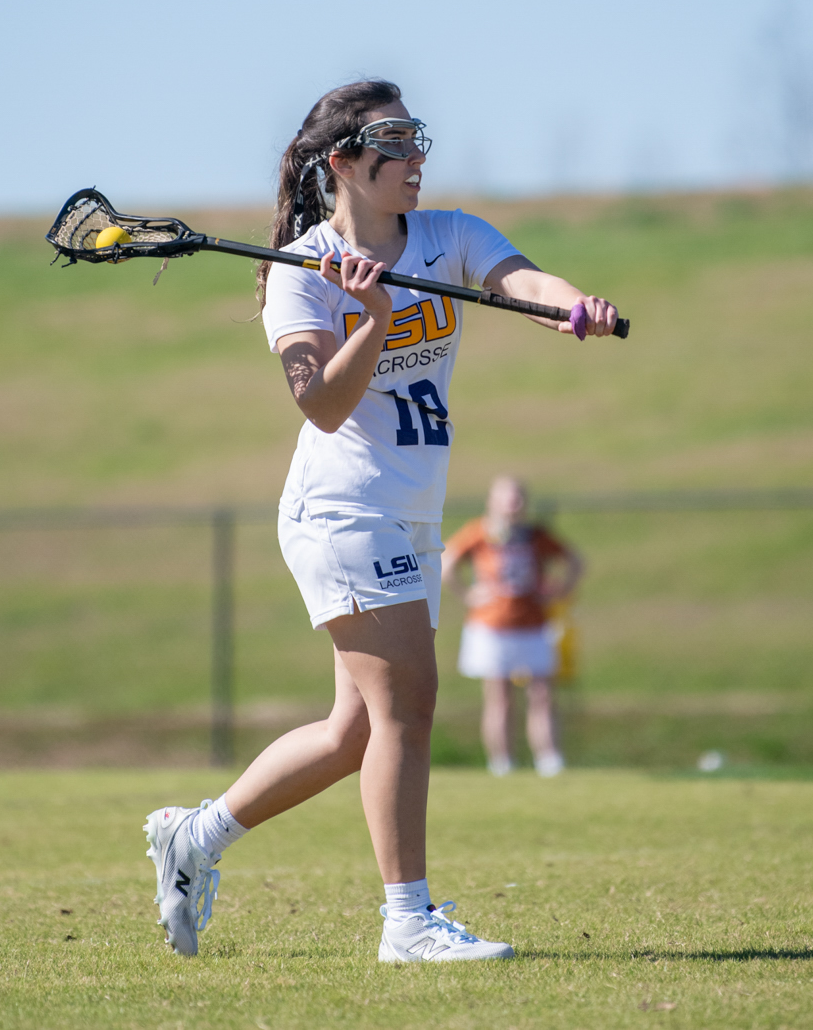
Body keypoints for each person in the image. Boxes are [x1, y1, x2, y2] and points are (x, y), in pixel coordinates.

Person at [141, 79, 620, 964]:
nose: (416, 159)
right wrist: (373, 318)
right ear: (343, 165)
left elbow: (521, 277)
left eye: (417, 137)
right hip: (341, 511)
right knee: (412, 700)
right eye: (394, 143)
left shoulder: (449, 235)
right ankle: (408, 923)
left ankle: (195, 838)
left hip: (412, 513)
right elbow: (319, 403)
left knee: (353, 731)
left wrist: (571, 303)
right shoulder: (299, 274)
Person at [445, 475, 582, 778]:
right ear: (492, 501)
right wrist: (468, 594)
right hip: (491, 626)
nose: (513, 504)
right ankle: (502, 764)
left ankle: (549, 761)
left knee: (542, 694)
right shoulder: (478, 532)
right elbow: (448, 561)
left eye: (518, 497)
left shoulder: (536, 535)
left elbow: (574, 560)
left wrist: (559, 590)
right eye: (507, 497)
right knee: (499, 696)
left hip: (533, 624)